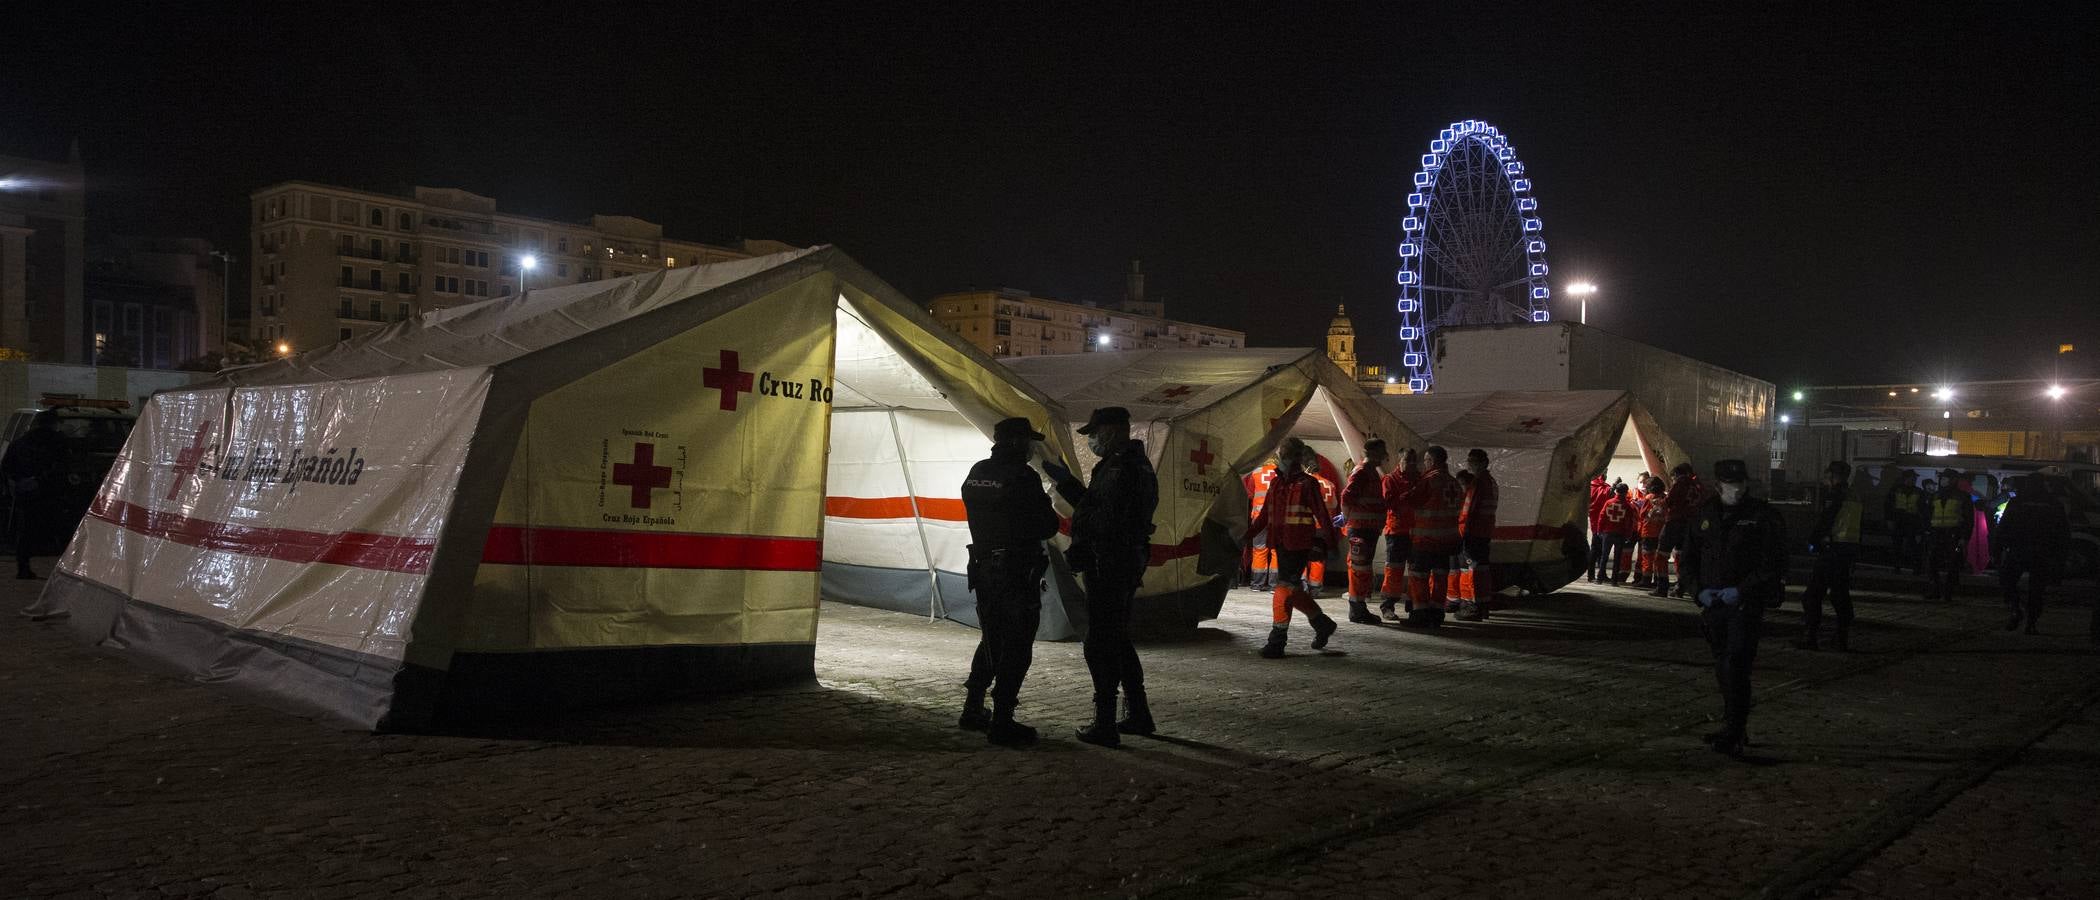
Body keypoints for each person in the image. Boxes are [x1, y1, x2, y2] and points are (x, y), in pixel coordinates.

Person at [1042, 406, 1159, 748]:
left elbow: (1103, 518)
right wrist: (1065, 482)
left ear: (1114, 431)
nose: (1091, 440)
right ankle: (1138, 712)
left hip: (1109, 563)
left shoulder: (1121, 468)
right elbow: (1095, 505)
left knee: (1101, 643)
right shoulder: (1127, 464)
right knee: (1117, 638)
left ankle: (1105, 722)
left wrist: (1081, 540)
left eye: (1095, 433)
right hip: (1118, 562)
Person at [957, 417, 1062, 747]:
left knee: (992, 637)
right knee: (1016, 644)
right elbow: (1047, 526)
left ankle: (973, 707)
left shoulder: (977, 472)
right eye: (1029, 441)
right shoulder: (1023, 476)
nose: (1032, 447)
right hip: (1016, 572)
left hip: (984, 569)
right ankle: (1002, 720)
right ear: (1018, 443)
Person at [1685, 459, 1787, 758]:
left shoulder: (1762, 516)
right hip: (1713, 603)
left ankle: (1733, 729)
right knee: (1722, 666)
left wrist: (1741, 591)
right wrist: (1698, 592)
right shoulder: (1705, 514)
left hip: (1744, 604)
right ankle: (1733, 724)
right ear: (1718, 485)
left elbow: (1774, 562)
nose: (1738, 489)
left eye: (1741, 483)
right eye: (1732, 484)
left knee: (1736, 664)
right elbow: (1690, 557)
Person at [1246, 437, 1340, 657]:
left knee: (1284, 587)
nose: (1282, 458)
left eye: (1285, 454)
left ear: (1296, 457)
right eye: (1282, 454)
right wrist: (1246, 536)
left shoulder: (1308, 484)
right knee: (1293, 589)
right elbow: (1264, 516)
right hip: (1280, 542)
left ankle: (1277, 641)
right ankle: (1322, 623)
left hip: (1298, 544)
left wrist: (1331, 544)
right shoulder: (1277, 483)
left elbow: (1322, 515)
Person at [1794, 460, 1862, 651]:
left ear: (1833, 476)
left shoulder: (1835, 495)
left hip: (1832, 550)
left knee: (1812, 596)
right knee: (1840, 594)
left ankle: (1811, 638)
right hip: (1847, 550)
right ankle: (1841, 638)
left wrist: (1812, 540)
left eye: (1827, 476)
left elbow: (1826, 520)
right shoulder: (1854, 495)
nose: (1825, 481)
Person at [1994, 475, 2070, 635]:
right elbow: (2062, 532)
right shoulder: (2053, 503)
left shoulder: (2017, 502)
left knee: (2007, 581)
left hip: (2019, 549)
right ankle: (2031, 622)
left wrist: (1998, 548)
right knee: (2037, 590)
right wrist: (2060, 557)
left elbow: (2004, 526)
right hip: (2042, 551)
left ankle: (2016, 610)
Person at [3, 410, 70, 580]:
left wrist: (18, 483)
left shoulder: (21, 442)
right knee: (60, 530)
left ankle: (23, 567)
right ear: (54, 424)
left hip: (27, 493)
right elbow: (66, 464)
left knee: (26, 530)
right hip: (50, 493)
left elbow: (7, 467)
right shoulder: (57, 442)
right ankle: (65, 572)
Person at [1404, 445, 1466, 627]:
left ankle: (1420, 614)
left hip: (1425, 539)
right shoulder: (1454, 482)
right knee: (1440, 576)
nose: (1424, 464)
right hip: (1447, 541)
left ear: (1431, 461)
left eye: (1426, 461)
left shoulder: (1429, 480)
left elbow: (1410, 500)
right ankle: (1437, 613)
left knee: (1419, 576)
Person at [1339, 439, 1390, 625]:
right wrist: (1345, 517)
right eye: (1382, 451)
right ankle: (1357, 609)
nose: (1385, 455)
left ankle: (1359, 607)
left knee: (1362, 568)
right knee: (1359, 568)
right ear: (1373, 452)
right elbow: (1347, 495)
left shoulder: (1370, 472)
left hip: (1367, 528)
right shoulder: (1362, 472)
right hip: (1360, 527)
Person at [1455, 448, 1499, 621]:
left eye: (1473, 461)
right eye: (1469, 461)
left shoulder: (1478, 483)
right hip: (1485, 531)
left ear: (1483, 463)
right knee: (1481, 569)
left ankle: (1472, 607)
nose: (1470, 465)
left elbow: (1469, 510)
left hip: (1473, 532)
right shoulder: (1491, 482)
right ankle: (1482, 606)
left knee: (1470, 570)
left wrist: (1462, 532)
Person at [1378, 447, 1421, 623]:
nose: (1411, 464)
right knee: (1394, 570)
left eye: (1413, 461)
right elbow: (1388, 503)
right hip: (1396, 531)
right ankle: (1388, 605)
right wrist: (1407, 496)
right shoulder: (1390, 479)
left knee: (1415, 570)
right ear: (1400, 460)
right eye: (1407, 460)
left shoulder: (1419, 479)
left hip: (1416, 531)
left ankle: (1413, 605)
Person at [1654, 462, 1704, 598]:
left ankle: (1662, 587)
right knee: (1681, 556)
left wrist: (1660, 502)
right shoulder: (1696, 486)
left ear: (1676, 474)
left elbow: (1670, 501)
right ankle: (1680, 588)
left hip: (1675, 522)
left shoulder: (1680, 484)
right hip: (1690, 525)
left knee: (1661, 555)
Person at [1922, 469, 1974, 601]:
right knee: (1932, 563)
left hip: (1953, 533)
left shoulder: (1963, 496)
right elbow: (1928, 514)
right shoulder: (1935, 495)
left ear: (1953, 480)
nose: (1943, 480)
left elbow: (1968, 519)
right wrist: (1927, 530)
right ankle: (1936, 590)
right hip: (1936, 533)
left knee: (1953, 564)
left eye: (1945, 478)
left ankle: (1947, 592)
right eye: (1942, 478)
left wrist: (1964, 537)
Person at [1304, 458, 1340, 598]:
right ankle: (1316, 587)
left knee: (1303, 556)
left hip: (1309, 525)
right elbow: (1334, 505)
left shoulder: (1307, 483)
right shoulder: (1330, 484)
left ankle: (1302, 586)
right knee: (1319, 558)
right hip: (1324, 527)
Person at [1243, 459, 1279, 592]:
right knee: (1276, 550)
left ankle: (1257, 584)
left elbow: (1251, 494)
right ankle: (1274, 585)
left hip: (1258, 516)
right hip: (1276, 517)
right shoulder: (1281, 473)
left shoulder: (1256, 473)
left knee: (1259, 549)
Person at [1597, 482, 1640, 585]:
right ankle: (1614, 581)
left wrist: (1599, 530)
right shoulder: (1627, 506)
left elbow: (1602, 517)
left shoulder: (1609, 503)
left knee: (1604, 556)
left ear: (1616, 491)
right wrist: (1628, 535)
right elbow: (1630, 522)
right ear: (1626, 493)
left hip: (1607, 533)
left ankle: (1599, 578)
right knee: (1617, 558)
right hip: (1620, 534)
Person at [1882, 470, 1924, 574]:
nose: (1914, 480)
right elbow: (1888, 506)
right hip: (1898, 521)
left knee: (1913, 546)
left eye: (1915, 478)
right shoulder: (1895, 490)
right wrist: (1889, 520)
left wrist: (1920, 527)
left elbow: (1922, 509)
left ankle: (1915, 568)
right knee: (1897, 545)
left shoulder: (1918, 491)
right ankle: (1897, 567)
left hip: (1911, 522)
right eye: (1912, 478)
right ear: (1906, 478)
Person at [1633, 476, 1668, 588]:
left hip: (1648, 532)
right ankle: (1658, 580)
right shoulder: (1664, 498)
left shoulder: (1648, 498)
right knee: (1660, 558)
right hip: (1662, 532)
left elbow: (1642, 514)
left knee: (1647, 556)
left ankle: (1646, 580)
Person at [1585, 475, 1612, 584]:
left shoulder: (1603, 487)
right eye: (1604, 471)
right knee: (1596, 548)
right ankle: (1591, 575)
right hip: (1597, 520)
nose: (1606, 474)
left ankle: (1601, 573)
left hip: (1602, 520)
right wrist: (1612, 488)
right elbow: (1598, 501)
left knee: (1601, 548)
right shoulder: (1593, 486)